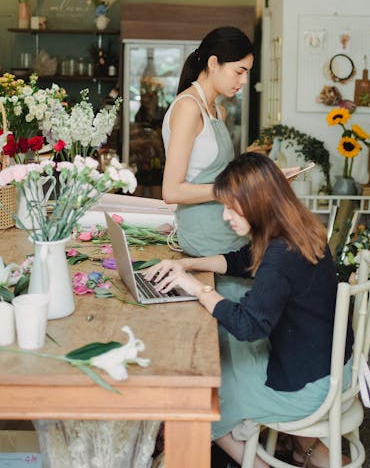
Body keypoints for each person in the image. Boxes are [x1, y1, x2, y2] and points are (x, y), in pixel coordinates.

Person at [145, 152, 353, 468]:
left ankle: (259, 464)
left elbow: (248, 325)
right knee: (224, 356)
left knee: (207, 394)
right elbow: (241, 260)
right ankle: (305, 452)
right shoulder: (298, 229)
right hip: (329, 363)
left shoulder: (281, 256)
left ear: (257, 202)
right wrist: (186, 264)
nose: (226, 216)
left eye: (231, 207)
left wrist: (197, 288)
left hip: (311, 385)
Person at [161, 26, 254, 260]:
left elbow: (217, 174)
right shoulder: (188, 108)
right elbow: (171, 191)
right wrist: (232, 190)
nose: (243, 81)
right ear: (214, 63)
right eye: (239, 71)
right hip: (206, 236)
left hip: (226, 226)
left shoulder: (217, 111)